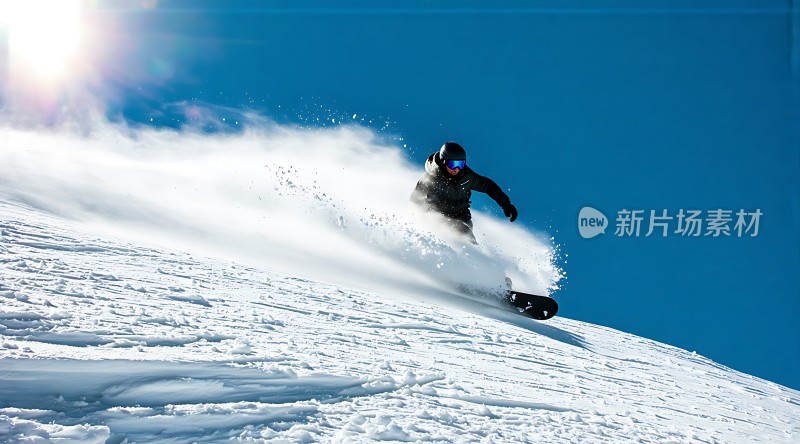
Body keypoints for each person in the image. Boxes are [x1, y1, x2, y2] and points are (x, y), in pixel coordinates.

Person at [410, 142, 518, 243]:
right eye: (452, 164)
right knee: (455, 232)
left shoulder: (467, 177)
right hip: (438, 214)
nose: (456, 168)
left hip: (461, 215)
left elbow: (488, 186)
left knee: (467, 237)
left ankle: (474, 259)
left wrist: (506, 204)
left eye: (460, 164)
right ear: (444, 161)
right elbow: (415, 198)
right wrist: (422, 216)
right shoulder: (431, 178)